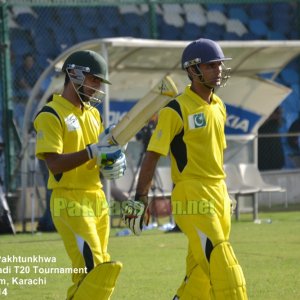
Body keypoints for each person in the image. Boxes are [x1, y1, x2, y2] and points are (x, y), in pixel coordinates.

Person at [123, 39, 248, 299]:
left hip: (219, 193)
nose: (218, 70)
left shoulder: (219, 106)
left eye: (220, 65)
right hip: (191, 193)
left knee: (200, 272)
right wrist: (140, 199)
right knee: (220, 260)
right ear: (192, 71)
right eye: (211, 65)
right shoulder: (175, 109)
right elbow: (152, 156)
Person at [34, 50, 126, 300]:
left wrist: (112, 157)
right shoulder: (51, 114)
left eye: (99, 82)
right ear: (74, 74)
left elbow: (95, 160)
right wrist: (93, 150)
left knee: (99, 273)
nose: (97, 88)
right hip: (69, 201)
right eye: (94, 80)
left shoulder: (94, 114)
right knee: (94, 270)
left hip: (97, 198)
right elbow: (54, 164)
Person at [14, 53, 41, 129]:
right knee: (30, 94)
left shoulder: (35, 69)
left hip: (33, 90)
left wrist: (35, 90)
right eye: (28, 60)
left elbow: (39, 82)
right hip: (22, 90)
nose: (30, 62)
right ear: (24, 61)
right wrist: (31, 90)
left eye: (31, 61)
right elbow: (21, 82)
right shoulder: (20, 69)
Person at [258, 106, 285, 170]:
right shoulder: (259, 110)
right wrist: (270, 117)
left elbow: (280, 124)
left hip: (274, 138)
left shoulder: (276, 108)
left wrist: (278, 116)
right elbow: (257, 125)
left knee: (275, 157)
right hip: (263, 138)